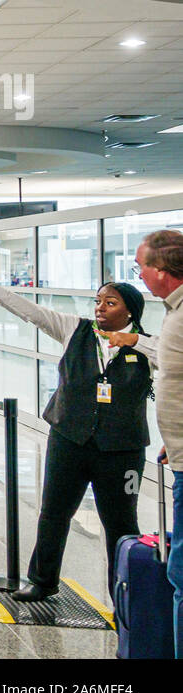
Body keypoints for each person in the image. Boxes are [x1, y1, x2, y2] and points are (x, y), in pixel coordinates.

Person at [0, 270, 160, 602]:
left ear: (130, 312)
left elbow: (172, 355)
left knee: (121, 524)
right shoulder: (75, 330)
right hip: (69, 439)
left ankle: (125, 594)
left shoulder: (148, 346)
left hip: (122, 450)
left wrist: (134, 341)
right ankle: (42, 580)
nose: (100, 308)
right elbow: (32, 312)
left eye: (110, 302)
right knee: (54, 512)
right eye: (98, 302)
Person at [136, 230, 183, 657]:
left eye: (142, 267)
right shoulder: (175, 310)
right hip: (181, 453)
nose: (141, 275)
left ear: (162, 272)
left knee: (182, 573)